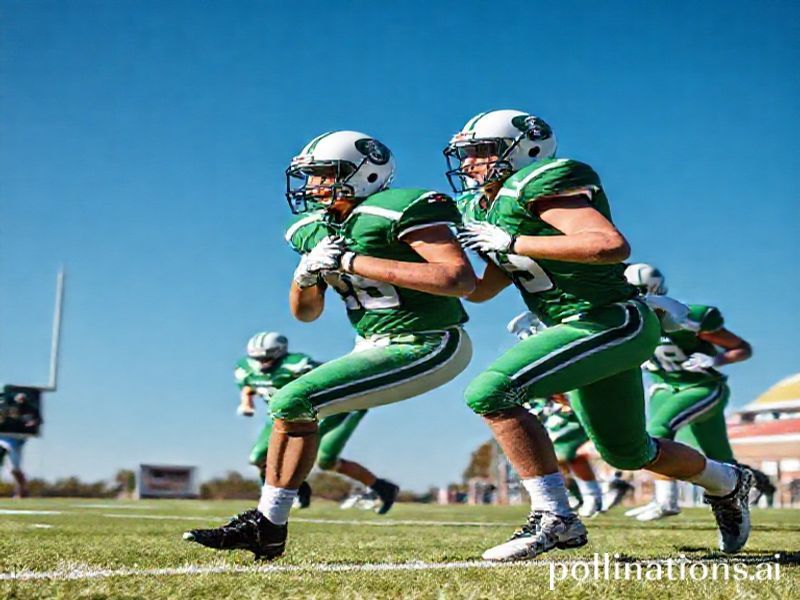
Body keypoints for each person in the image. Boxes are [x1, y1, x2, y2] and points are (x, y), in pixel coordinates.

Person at [448, 109, 753, 560]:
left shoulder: (540, 183)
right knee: (629, 452)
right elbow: (480, 290)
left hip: (610, 320)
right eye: (467, 152)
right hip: (577, 328)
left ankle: (556, 517)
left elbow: (608, 245)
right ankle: (728, 481)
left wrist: (512, 243)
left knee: (491, 392)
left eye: (482, 150)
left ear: (526, 148)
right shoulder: (480, 206)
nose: (470, 162)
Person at [185, 130, 475, 559]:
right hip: (372, 343)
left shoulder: (398, 209)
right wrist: (304, 277)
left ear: (364, 173)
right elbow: (306, 313)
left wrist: (352, 261)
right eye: (311, 176)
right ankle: (268, 527)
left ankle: (268, 525)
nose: (313, 186)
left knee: (293, 399)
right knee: (292, 405)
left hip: (428, 341)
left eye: (324, 175)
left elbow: (458, 279)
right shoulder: (311, 229)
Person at [623, 263, 768, 519]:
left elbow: (743, 348)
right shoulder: (623, 319)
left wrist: (716, 360)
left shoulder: (689, 318)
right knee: (721, 458)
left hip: (700, 386)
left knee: (657, 433)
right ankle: (746, 489)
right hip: (663, 387)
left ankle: (668, 501)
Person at [235, 330, 398, 511]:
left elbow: (329, 380)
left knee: (323, 457)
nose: (261, 363)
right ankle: (290, 492)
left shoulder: (297, 364)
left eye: (266, 358)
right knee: (258, 457)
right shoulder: (245, 368)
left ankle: (381, 488)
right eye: (257, 359)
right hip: (283, 416)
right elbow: (249, 385)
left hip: (331, 410)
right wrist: (246, 403)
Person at [508, 312, 603, 517]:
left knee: (563, 454)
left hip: (569, 410)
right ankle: (583, 495)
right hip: (552, 410)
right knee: (561, 457)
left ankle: (595, 491)